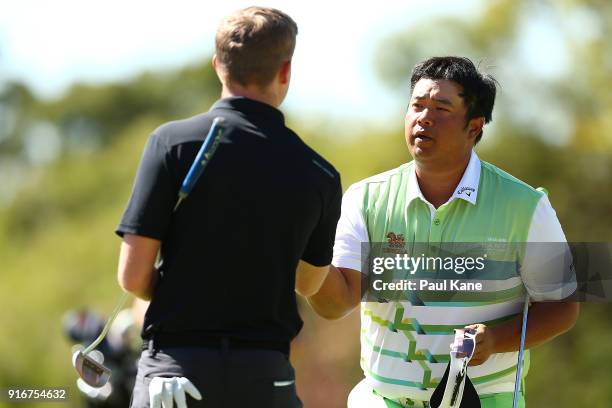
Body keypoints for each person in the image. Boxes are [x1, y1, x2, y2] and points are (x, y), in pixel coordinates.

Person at [308, 56, 579, 407]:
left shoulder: (525, 206)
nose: (424, 117)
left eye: (441, 107)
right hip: (383, 399)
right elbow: (337, 300)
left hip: (484, 399)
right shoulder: (365, 198)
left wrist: (495, 340)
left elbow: (563, 307)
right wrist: (301, 251)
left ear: (474, 126)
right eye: (417, 105)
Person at [115, 7, 341, 407]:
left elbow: (133, 278)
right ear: (285, 71)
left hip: (174, 375)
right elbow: (307, 285)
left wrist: (176, 291)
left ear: (217, 64)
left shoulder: (171, 143)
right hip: (265, 380)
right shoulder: (319, 172)